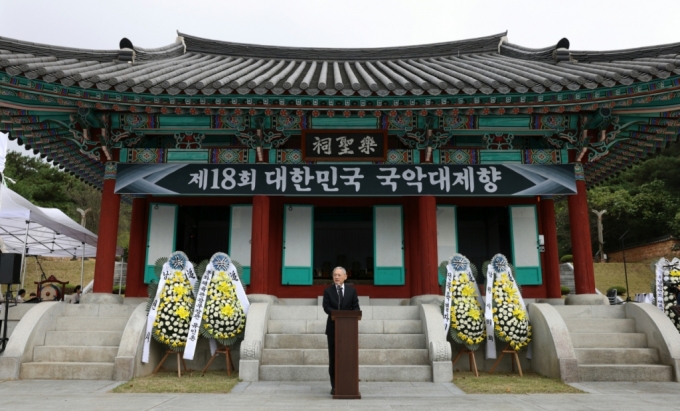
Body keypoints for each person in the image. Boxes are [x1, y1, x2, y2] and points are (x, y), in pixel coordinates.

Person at [322, 266, 360, 396]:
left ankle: (348, 384)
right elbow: (326, 307)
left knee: (348, 357)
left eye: (339, 275)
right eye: (335, 275)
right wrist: (338, 314)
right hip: (333, 329)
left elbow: (356, 308)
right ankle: (335, 386)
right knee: (334, 358)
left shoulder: (352, 291)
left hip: (348, 331)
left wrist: (347, 316)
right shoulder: (328, 291)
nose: (337, 277)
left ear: (345, 277)